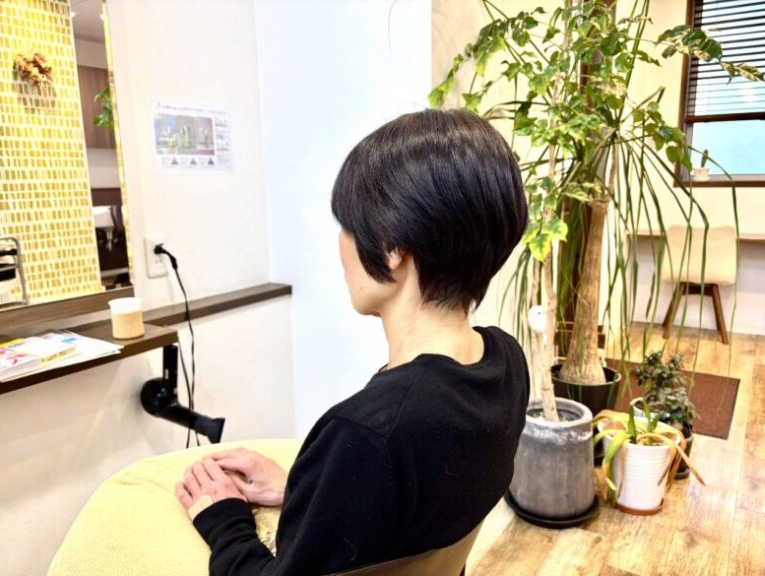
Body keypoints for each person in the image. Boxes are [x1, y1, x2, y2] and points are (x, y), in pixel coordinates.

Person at [175, 108, 530, 575]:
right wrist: (305, 489)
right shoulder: (506, 363)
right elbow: (418, 507)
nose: (341, 245)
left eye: (348, 225)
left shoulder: (369, 432)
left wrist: (225, 521)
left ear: (393, 247)